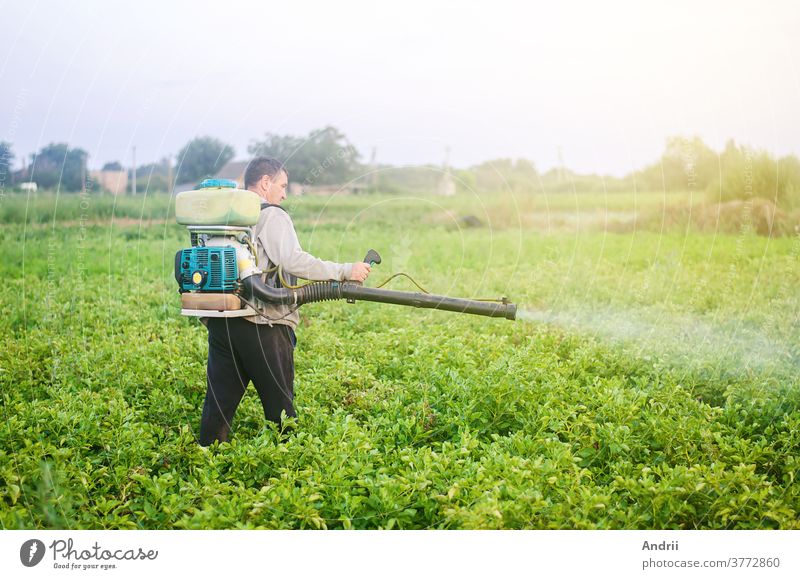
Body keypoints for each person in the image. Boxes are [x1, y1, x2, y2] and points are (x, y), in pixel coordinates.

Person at [198, 157, 371, 446]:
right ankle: (289, 469)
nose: (284, 193)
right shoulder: (270, 214)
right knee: (281, 409)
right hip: (263, 323)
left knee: (218, 403)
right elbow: (293, 260)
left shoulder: (221, 217)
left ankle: (206, 457)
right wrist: (344, 271)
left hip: (223, 322)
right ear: (265, 183)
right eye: (282, 185)